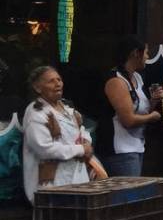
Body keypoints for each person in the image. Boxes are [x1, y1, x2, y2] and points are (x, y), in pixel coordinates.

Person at [23, 64, 106, 203]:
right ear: (37, 88)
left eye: (59, 80)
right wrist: (80, 149)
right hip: (53, 183)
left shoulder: (67, 108)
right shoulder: (35, 112)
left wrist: (86, 141)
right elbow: (44, 149)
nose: (57, 84)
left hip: (78, 177)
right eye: (51, 81)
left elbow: (82, 130)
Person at [100, 35, 163, 177]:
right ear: (136, 53)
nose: (147, 57)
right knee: (129, 196)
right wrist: (152, 117)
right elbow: (128, 120)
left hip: (137, 146)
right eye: (146, 53)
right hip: (121, 150)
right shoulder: (116, 81)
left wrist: (153, 101)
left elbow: (140, 111)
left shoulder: (137, 77)